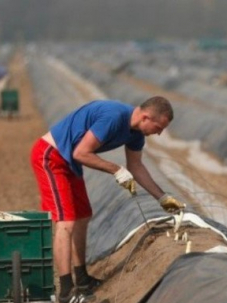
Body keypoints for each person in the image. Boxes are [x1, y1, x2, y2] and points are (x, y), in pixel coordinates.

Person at [30, 96, 185, 303]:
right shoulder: (114, 117)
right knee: (66, 222)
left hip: (69, 163)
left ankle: (82, 279)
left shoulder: (136, 135)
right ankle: (67, 292)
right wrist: (116, 170)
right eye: (158, 127)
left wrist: (163, 197)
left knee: (83, 216)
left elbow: (136, 166)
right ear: (146, 117)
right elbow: (81, 153)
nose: (159, 133)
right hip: (51, 156)